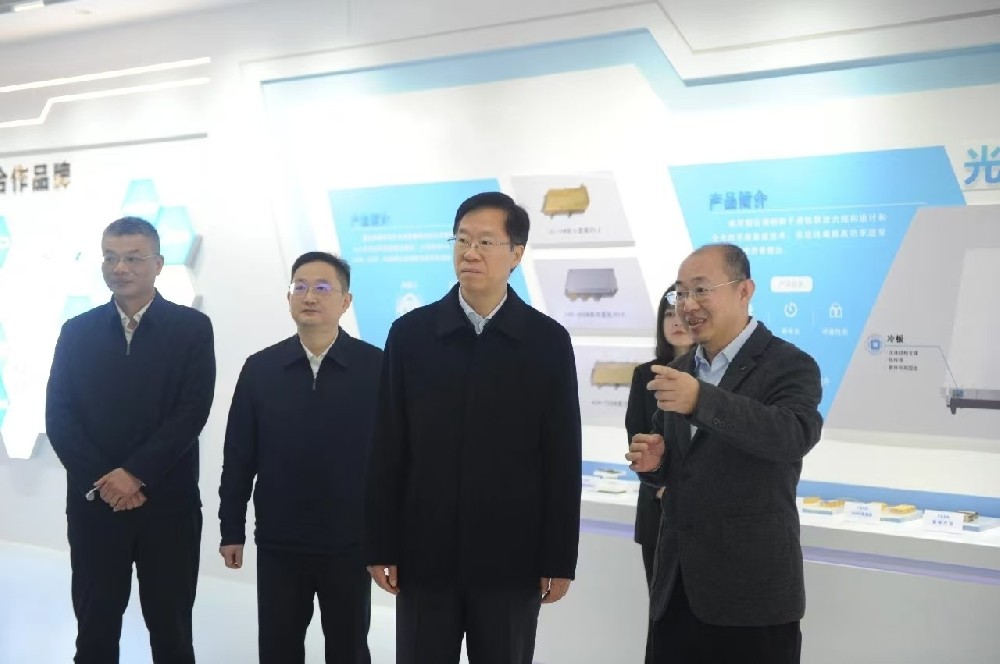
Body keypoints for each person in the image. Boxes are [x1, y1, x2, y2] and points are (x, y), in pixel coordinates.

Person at [365, 191, 582, 664]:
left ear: (516, 253)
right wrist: (381, 543)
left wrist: (559, 556)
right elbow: (388, 447)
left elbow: (562, 455)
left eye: (486, 241)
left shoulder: (546, 341)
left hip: (511, 558)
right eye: (461, 240)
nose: (470, 252)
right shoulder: (411, 335)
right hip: (425, 553)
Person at [626, 243, 823, 664]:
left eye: (701, 290)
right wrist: (656, 464)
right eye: (680, 292)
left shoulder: (789, 364)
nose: (687, 305)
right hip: (676, 589)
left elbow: (792, 435)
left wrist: (702, 400)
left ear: (744, 290)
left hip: (751, 597)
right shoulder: (679, 371)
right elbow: (681, 467)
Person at [45, 216, 216, 664]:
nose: (120, 268)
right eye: (111, 257)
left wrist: (135, 474)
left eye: (133, 258)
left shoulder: (191, 329)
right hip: (95, 508)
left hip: (168, 507)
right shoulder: (76, 331)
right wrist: (106, 480)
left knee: (171, 630)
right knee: (95, 630)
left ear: (158, 264)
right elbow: (60, 416)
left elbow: (191, 412)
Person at [218, 252, 382, 664]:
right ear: (288, 297)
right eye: (300, 287)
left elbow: (393, 461)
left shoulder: (375, 368)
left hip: (349, 542)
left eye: (323, 288)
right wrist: (231, 528)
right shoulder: (261, 369)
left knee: (349, 649)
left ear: (345, 301)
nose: (310, 297)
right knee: (278, 648)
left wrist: (388, 540)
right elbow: (238, 456)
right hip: (280, 541)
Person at [624, 284, 691, 663]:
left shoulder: (718, 378)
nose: (676, 321)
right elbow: (637, 439)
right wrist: (663, 485)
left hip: (705, 516)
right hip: (657, 512)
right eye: (668, 314)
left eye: (681, 314)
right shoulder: (644, 375)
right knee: (663, 615)